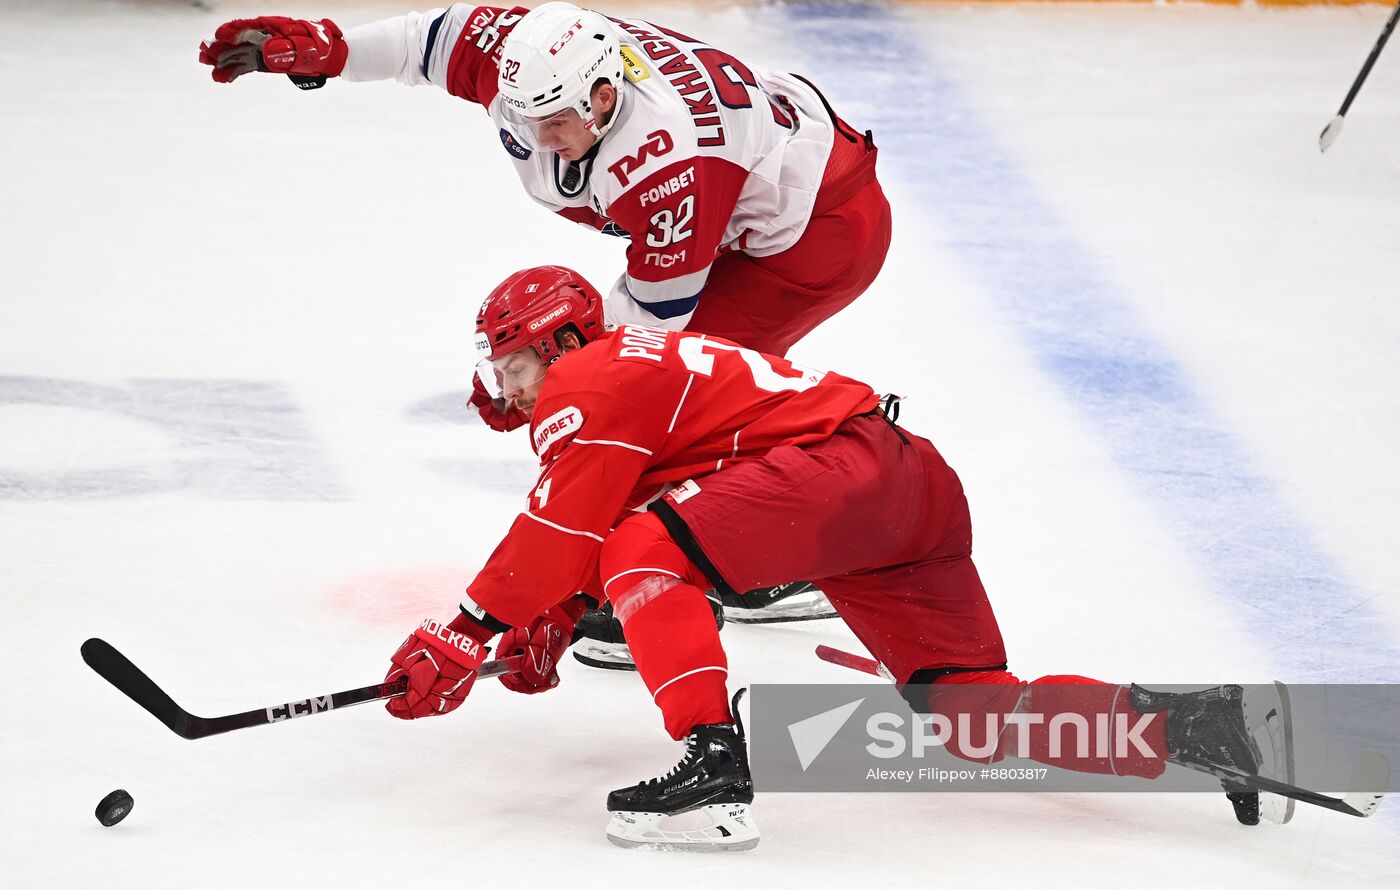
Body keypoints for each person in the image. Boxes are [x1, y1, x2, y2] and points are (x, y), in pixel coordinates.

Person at [379, 266, 1274, 851]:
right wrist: (555, 616)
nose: (512, 389)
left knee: (642, 550)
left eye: (517, 365)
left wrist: (466, 630)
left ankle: (712, 761)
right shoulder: (638, 371)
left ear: (563, 343)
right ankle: (1196, 729)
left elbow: (570, 529)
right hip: (903, 482)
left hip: (834, 472)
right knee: (964, 707)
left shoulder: (590, 379)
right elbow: (613, 512)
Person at [198, 0, 888, 633]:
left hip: (814, 235)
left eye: (556, 121)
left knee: (672, 402)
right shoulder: (530, 63)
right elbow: (425, 43)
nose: (540, 136)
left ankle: (704, 571)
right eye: (526, 118)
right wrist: (330, 49)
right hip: (762, 178)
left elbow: (645, 347)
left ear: (605, 95)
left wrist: (546, 379)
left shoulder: (669, 162)